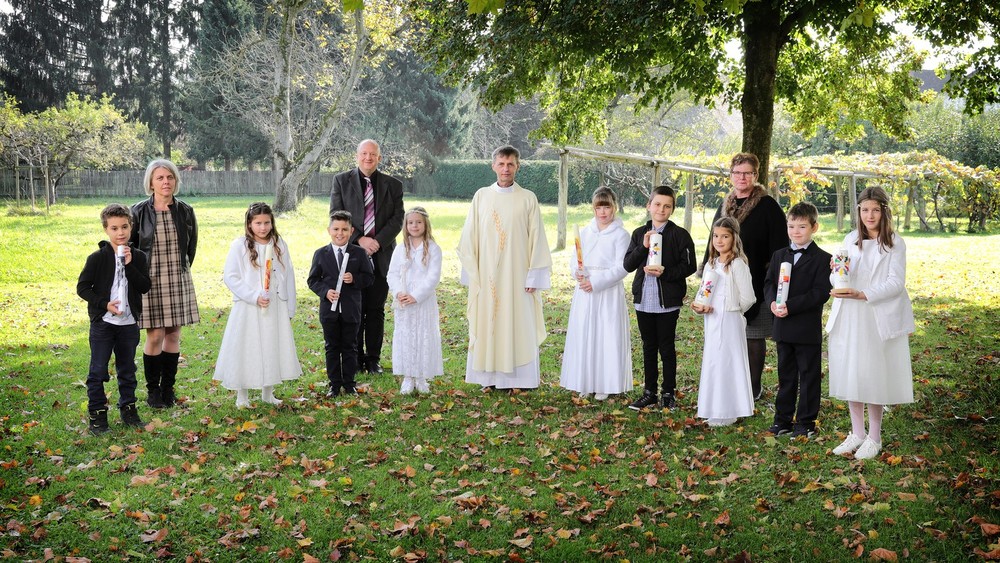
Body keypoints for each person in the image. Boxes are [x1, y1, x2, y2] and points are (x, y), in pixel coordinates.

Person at [826, 187, 914, 460]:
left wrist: (864, 294)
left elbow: (895, 283)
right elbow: (841, 280)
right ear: (859, 212)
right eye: (865, 210)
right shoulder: (851, 239)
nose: (870, 215)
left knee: (874, 373)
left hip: (876, 314)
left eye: (875, 209)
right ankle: (857, 433)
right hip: (851, 313)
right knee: (853, 370)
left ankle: (874, 436)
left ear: (884, 211)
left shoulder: (894, 243)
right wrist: (836, 274)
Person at [457, 145, 553, 391]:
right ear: (493, 166)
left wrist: (535, 275)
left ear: (517, 166)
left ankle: (519, 379)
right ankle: (488, 378)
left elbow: (537, 237)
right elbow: (470, 235)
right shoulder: (481, 196)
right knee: (489, 320)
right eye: (501, 164)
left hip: (518, 275)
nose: (505, 169)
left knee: (517, 322)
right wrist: (472, 274)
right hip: (487, 275)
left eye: (510, 164)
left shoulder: (528, 198)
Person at [701, 153, 787, 400]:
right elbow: (713, 240)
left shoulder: (767, 206)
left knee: (753, 335)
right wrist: (707, 269)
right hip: (724, 281)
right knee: (728, 333)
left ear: (755, 176)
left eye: (747, 173)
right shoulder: (725, 204)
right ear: (731, 175)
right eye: (737, 173)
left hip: (756, 279)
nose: (742, 177)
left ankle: (753, 387)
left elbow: (779, 247)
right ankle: (731, 382)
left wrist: (772, 279)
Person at [213, 202, 302, 408]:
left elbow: (288, 274)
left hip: (273, 305)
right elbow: (231, 277)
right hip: (248, 306)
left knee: (271, 346)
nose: (263, 227)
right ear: (250, 224)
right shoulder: (240, 246)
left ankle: (267, 392)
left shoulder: (280, 245)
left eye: (267, 222)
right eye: (258, 223)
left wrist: (289, 305)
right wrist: (253, 296)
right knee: (247, 347)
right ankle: (242, 395)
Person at [329, 139, 404, 375]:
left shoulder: (393, 185)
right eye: (364, 153)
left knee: (375, 309)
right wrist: (359, 239)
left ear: (379, 157)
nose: (368, 158)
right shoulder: (342, 181)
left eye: (372, 154)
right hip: (352, 255)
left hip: (381, 256)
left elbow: (398, 218)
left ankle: (373, 360)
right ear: (357, 156)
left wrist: (377, 242)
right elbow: (336, 215)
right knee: (353, 311)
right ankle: (355, 357)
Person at [130, 159, 199, 409]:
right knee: (155, 334)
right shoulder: (137, 211)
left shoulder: (185, 211)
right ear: (151, 182)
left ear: (175, 181)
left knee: (173, 334)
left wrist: (181, 269)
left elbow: (191, 247)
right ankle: (153, 391)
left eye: (169, 177)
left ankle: (168, 389)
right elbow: (131, 247)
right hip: (149, 280)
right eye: (159, 178)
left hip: (176, 277)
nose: (165, 182)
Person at [77, 204, 151, 434]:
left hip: (128, 325)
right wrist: (104, 304)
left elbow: (144, 286)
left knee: (127, 369)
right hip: (104, 324)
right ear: (106, 230)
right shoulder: (97, 258)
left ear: (131, 227)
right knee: (98, 371)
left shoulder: (138, 257)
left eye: (125, 227)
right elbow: (82, 288)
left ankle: (128, 410)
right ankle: (98, 416)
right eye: (114, 228)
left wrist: (129, 266)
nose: (120, 233)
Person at [623, 185, 697, 410]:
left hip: (667, 301)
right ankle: (649, 392)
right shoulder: (639, 233)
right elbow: (628, 264)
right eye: (657, 204)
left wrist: (666, 272)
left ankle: (668, 392)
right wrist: (644, 247)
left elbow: (690, 266)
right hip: (644, 298)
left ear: (672, 209)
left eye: (667, 206)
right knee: (648, 346)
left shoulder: (679, 235)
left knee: (666, 347)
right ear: (649, 206)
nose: (661, 209)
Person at [763, 202, 832, 438]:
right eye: (791, 226)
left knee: (809, 375)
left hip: (805, 327)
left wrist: (790, 306)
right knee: (786, 375)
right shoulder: (779, 255)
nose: (795, 232)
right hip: (782, 326)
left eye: (801, 227)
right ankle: (782, 419)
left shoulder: (824, 259)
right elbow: (770, 283)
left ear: (814, 227)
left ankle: (806, 421)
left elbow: (820, 293)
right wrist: (772, 302)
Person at [560, 187, 633, 401]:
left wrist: (597, 282)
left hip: (607, 292)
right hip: (585, 291)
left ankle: (605, 382)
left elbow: (623, 267)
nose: (602, 212)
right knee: (585, 334)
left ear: (614, 207)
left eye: (607, 207)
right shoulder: (585, 232)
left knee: (606, 335)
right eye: (598, 207)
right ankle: (585, 380)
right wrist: (578, 274)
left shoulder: (621, 235)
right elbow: (575, 259)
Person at [692, 217, 756, 426]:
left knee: (728, 362)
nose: (719, 240)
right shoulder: (711, 264)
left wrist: (733, 310)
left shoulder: (737, 265)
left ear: (734, 238)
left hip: (729, 320)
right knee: (714, 362)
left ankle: (729, 410)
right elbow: (705, 292)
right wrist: (700, 307)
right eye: (716, 236)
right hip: (712, 320)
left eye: (725, 236)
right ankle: (715, 407)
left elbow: (749, 298)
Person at [308, 210, 375, 398]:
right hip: (329, 311)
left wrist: (354, 278)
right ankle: (334, 384)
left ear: (352, 231)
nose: (340, 233)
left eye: (344, 229)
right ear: (329, 230)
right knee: (331, 346)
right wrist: (325, 292)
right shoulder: (321, 254)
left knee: (350, 346)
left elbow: (369, 278)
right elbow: (313, 280)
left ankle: (349, 383)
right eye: (336, 229)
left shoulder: (359, 253)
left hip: (351, 309)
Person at [386, 207, 444, 395]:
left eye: (418, 222)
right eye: (411, 222)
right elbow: (392, 274)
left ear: (425, 224)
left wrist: (416, 296)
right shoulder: (401, 248)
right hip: (404, 302)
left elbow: (433, 277)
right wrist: (398, 293)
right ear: (406, 225)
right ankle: (408, 377)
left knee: (423, 335)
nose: (414, 225)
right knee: (406, 336)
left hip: (423, 302)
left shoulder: (433, 249)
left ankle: (421, 376)